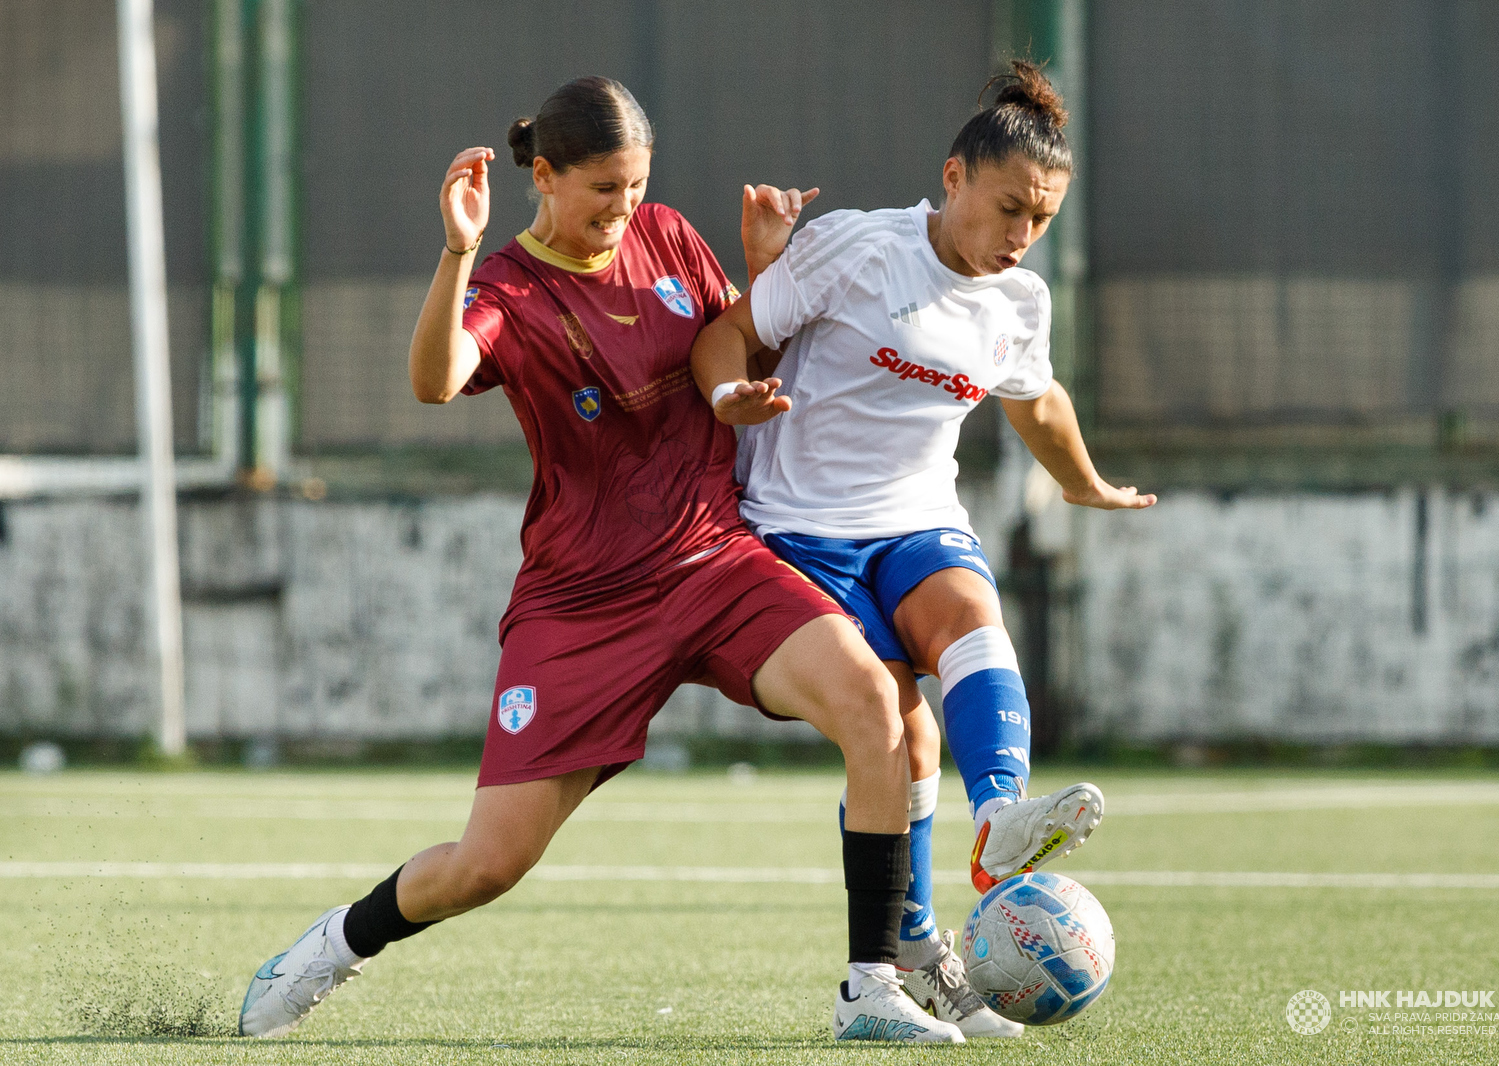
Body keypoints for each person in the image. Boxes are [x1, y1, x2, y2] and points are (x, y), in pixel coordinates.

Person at [237, 76, 966, 1044]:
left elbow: (737, 344)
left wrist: (759, 284)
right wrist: (456, 251)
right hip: (584, 605)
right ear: (543, 176)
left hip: (715, 561)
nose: (623, 209)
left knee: (874, 703)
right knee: (486, 865)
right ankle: (334, 943)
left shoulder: (666, 235)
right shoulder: (506, 286)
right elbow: (435, 379)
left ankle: (871, 983)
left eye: (636, 186)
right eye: (602, 190)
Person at [690, 60, 1154, 1034]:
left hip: (916, 516)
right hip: (800, 527)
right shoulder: (859, 250)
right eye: (1007, 207)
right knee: (905, 733)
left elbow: (1037, 399)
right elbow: (728, 332)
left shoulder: (1019, 300)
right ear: (953, 179)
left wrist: (1082, 483)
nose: (1020, 233)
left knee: (973, 621)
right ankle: (904, 958)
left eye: (1041, 217)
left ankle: (998, 819)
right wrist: (728, 397)